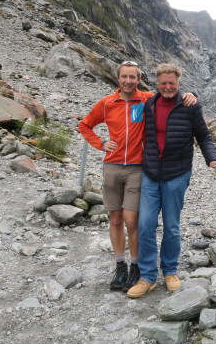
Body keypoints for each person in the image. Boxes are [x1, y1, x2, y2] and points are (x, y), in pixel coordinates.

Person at [78, 61, 197, 292]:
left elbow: (169, 93)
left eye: (133, 77)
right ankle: (120, 265)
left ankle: (137, 267)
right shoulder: (106, 103)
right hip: (112, 166)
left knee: (133, 221)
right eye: (125, 77)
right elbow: (85, 125)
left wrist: (192, 95)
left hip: (136, 168)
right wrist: (101, 144)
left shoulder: (146, 99)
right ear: (118, 78)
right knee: (115, 219)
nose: (128, 81)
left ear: (138, 78)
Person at [127, 63, 216, 299]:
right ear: (157, 84)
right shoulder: (149, 103)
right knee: (146, 225)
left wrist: (211, 158)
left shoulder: (190, 105)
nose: (168, 86)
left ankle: (170, 271)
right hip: (151, 173)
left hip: (177, 175)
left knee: (171, 227)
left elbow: (203, 135)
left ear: (179, 83)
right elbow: (126, 97)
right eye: (163, 83)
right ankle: (148, 276)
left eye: (172, 83)